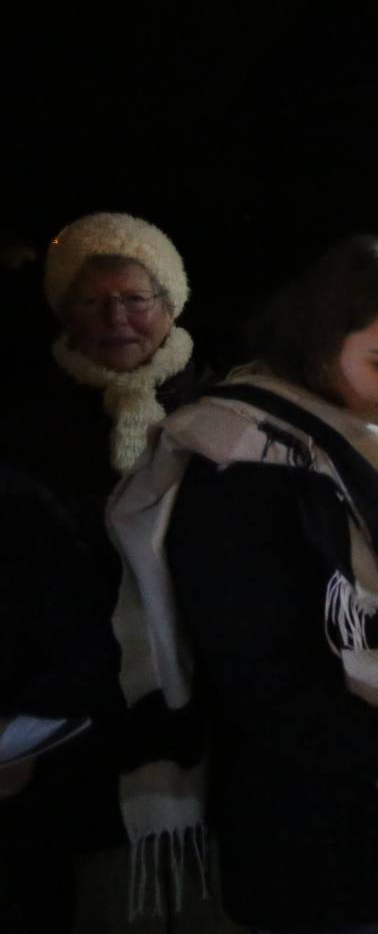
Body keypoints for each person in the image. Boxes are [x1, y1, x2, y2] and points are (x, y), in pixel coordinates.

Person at [106, 235, 378, 932]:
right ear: (317, 349)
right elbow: (269, 695)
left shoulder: (371, 444)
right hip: (310, 847)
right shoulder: (241, 471)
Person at [0, 211, 213, 932]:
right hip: (79, 721)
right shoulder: (29, 424)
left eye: (134, 298)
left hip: (206, 701)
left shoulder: (216, 410)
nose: (115, 318)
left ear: (171, 303)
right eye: (91, 302)